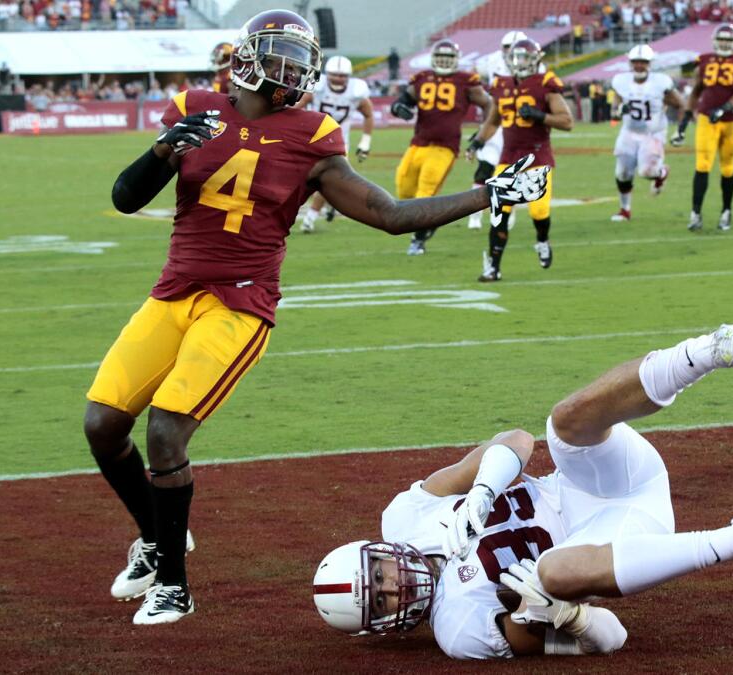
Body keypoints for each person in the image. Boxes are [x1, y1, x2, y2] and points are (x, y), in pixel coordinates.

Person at [87, 9, 549, 626]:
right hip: (173, 292)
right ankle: (157, 538)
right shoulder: (194, 106)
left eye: (298, 61)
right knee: (101, 424)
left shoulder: (312, 134)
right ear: (249, 56)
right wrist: (162, 150)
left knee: (166, 433)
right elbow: (124, 197)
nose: (291, 71)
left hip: (240, 304)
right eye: (279, 56)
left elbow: (390, 213)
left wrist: (486, 193)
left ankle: (173, 581)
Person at [314, 318, 733, 659]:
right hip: (620, 537)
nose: (392, 586)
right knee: (551, 570)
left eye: (376, 574)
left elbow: (514, 439)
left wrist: (483, 493)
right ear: (381, 627)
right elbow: (583, 637)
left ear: (375, 551)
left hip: (601, 481)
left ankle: (710, 351)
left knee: (563, 423)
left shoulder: (405, 515)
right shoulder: (458, 630)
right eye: (379, 600)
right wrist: (551, 612)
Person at [468, 38, 572, 281]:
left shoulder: (545, 83)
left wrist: (540, 116)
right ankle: (493, 267)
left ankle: (542, 240)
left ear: (536, 59)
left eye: (525, 57)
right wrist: (478, 142)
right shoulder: (501, 84)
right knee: (500, 212)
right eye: (516, 58)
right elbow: (494, 120)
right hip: (509, 157)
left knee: (538, 211)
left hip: (537, 156)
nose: (520, 62)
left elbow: (567, 121)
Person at [390, 39, 493, 256]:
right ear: (434, 59)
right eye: (441, 58)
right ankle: (431, 220)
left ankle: (417, 241)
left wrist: (484, 130)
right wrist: (399, 108)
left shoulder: (466, 80)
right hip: (418, 143)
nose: (444, 63)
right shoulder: (422, 77)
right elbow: (403, 100)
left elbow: (489, 104)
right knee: (403, 188)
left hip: (444, 147)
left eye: (449, 59)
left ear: (456, 60)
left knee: (425, 192)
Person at [672, 23, 733, 232]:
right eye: (722, 40)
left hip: (731, 121)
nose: (725, 44)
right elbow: (695, 92)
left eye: (729, 40)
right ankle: (695, 213)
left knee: (728, 168)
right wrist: (684, 122)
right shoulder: (705, 60)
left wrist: (724, 108)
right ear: (714, 41)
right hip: (707, 119)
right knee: (702, 165)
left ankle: (726, 211)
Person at [295, 55, 373, 232]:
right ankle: (331, 204)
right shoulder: (318, 87)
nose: (338, 79)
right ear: (327, 74)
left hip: (338, 143)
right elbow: (299, 105)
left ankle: (310, 218)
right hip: (311, 139)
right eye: (334, 75)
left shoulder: (356, 91)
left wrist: (365, 141)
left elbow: (368, 114)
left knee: (326, 179)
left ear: (349, 76)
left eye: (343, 76)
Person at [608, 44, 684, 222]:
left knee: (647, 172)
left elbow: (680, 104)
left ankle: (661, 172)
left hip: (653, 133)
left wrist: (680, 131)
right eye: (636, 62)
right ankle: (625, 210)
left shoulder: (660, 82)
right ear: (630, 63)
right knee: (622, 174)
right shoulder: (621, 80)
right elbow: (617, 102)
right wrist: (616, 111)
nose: (639, 66)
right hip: (628, 132)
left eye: (643, 62)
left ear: (650, 63)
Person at [468, 30, 531, 230]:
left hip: (519, 126)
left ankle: (507, 213)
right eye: (506, 48)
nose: (510, 51)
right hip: (494, 122)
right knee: (484, 170)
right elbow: (474, 75)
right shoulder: (492, 61)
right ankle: (475, 216)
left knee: (512, 174)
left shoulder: (534, 65)